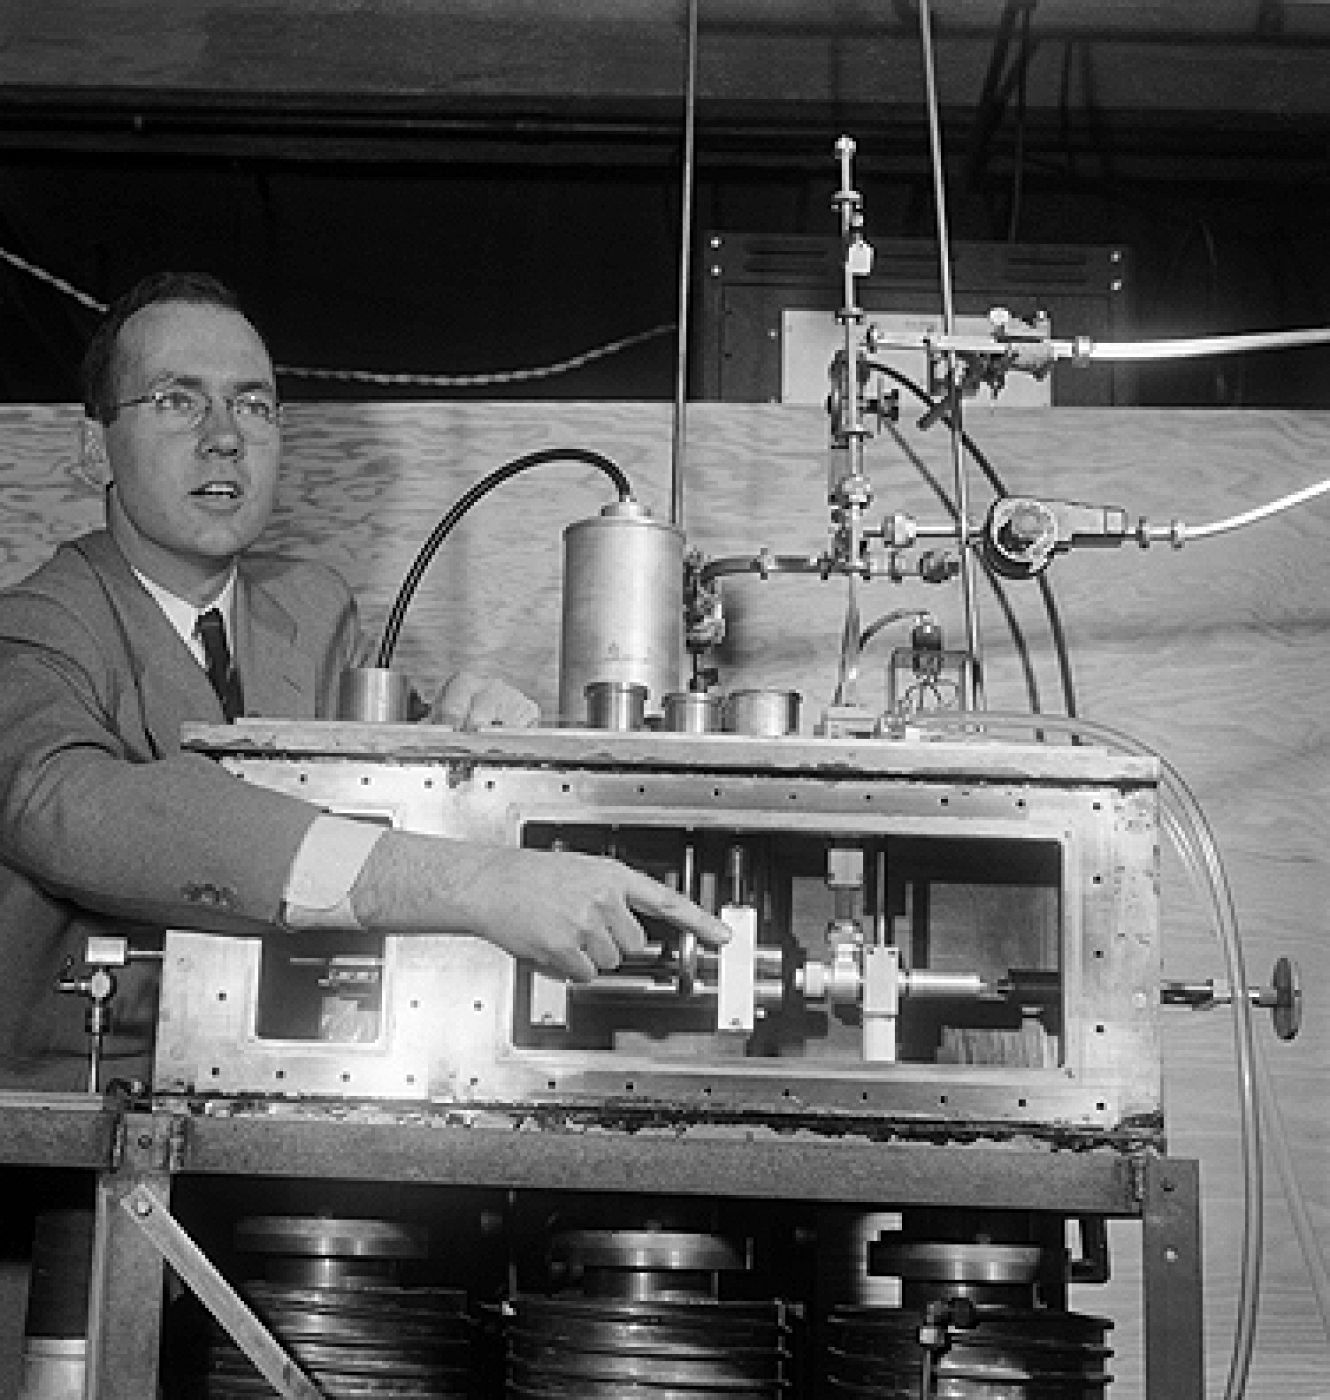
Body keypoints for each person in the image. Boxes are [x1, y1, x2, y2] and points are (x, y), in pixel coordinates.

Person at [0, 270, 729, 1091]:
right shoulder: (33, 628)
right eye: (177, 401)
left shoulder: (311, 609)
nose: (224, 437)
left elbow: (377, 793)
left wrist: (457, 742)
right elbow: (70, 806)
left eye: (252, 404)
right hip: (79, 1117)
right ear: (93, 447)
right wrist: (478, 882)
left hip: (287, 1089)